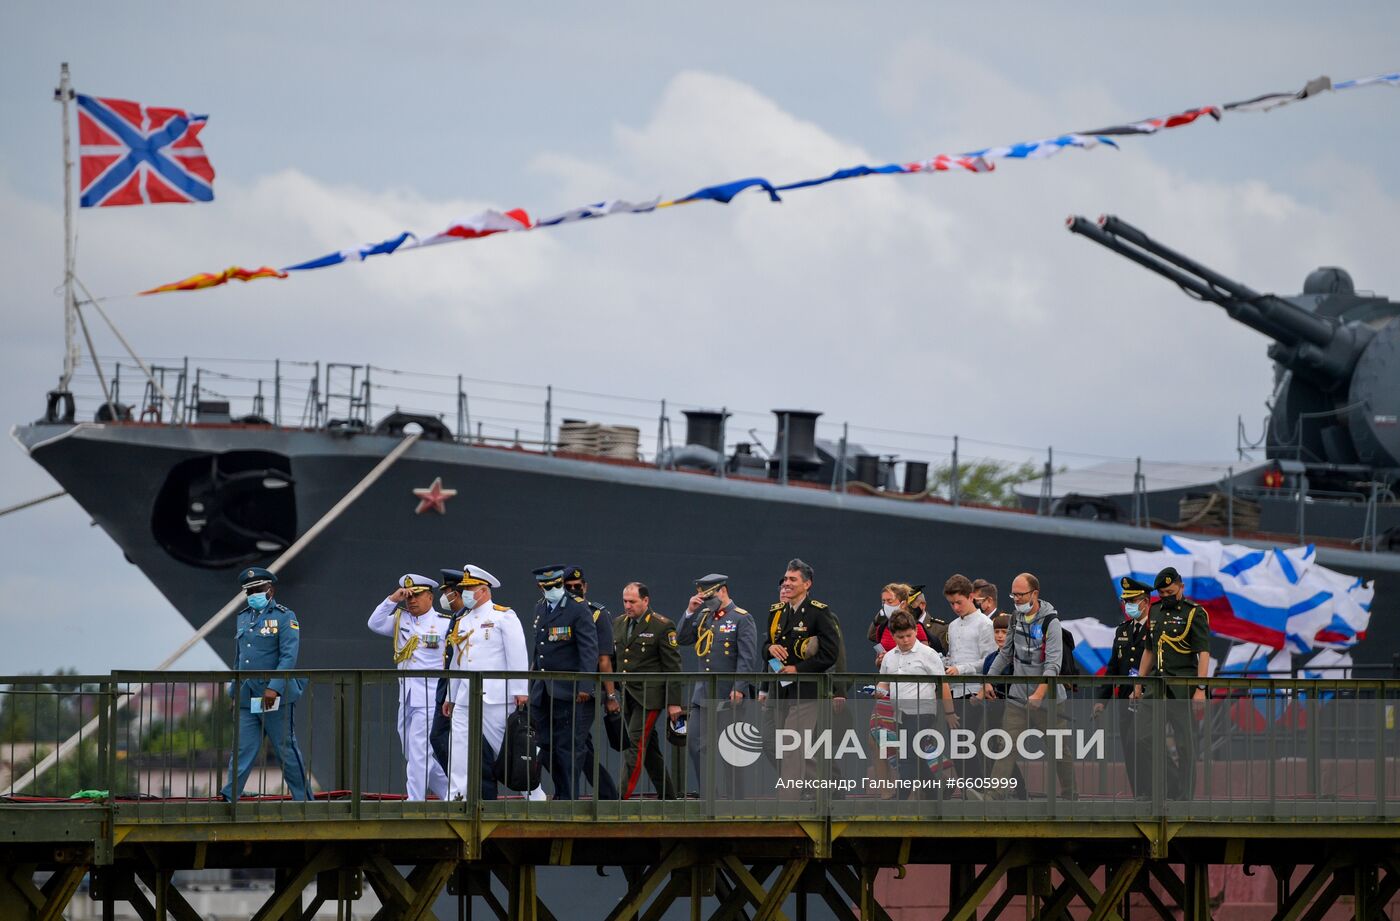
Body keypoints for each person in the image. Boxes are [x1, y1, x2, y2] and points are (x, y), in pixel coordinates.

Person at [442, 564, 530, 801]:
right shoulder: (463, 620)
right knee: (458, 747)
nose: (466, 594)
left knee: (510, 748)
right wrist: (450, 694)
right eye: (465, 589)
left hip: (495, 696)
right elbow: (458, 661)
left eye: (471, 589)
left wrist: (520, 689)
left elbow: (517, 654)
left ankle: (533, 793)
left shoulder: (503, 616)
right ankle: (456, 795)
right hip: (465, 695)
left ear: (484, 590)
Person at [984, 573, 1075, 800]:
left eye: (1020, 594)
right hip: (1018, 698)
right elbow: (1005, 654)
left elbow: (1053, 664)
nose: (1016, 599)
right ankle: (993, 796)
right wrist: (988, 680)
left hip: (1049, 700)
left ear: (1035, 593)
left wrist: (1039, 694)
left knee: (1058, 750)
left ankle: (1070, 794)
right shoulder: (1015, 618)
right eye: (1013, 594)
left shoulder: (1051, 622)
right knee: (1006, 745)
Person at [222, 567, 309, 802]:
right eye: (249, 591)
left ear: (270, 590)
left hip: (274, 696)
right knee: (242, 748)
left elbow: (288, 656)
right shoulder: (243, 617)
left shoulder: (284, 617)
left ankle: (304, 800)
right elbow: (239, 658)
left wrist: (274, 687)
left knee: (285, 750)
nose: (252, 595)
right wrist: (234, 691)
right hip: (247, 693)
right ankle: (230, 797)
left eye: (257, 590)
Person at [368, 574, 453, 801]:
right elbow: (374, 623)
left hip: (429, 697)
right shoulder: (400, 619)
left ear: (429, 596)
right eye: (408, 597)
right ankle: (452, 794)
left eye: (416, 596)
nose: (411, 601)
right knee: (411, 751)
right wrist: (392, 599)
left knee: (419, 753)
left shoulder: (445, 623)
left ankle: (415, 802)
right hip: (406, 696)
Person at [677, 573, 759, 797]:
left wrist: (739, 688)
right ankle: (708, 795)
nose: (706, 601)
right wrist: (690, 612)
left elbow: (747, 658)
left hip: (728, 695)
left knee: (731, 751)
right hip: (702, 694)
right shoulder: (704, 616)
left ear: (722, 590)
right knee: (695, 745)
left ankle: (735, 799)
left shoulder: (742, 618)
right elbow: (682, 639)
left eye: (709, 595)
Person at [1132, 566, 1210, 800]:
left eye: (1169, 591)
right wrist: (1138, 683)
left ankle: (1184, 797)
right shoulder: (1154, 612)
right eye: (1162, 593)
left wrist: (1201, 689)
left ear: (1181, 587)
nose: (1165, 596)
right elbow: (1148, 650)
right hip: (1155, 686)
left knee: (1185, 746)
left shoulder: (1193, 613)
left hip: (1182, 687)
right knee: (1142, 737)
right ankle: (1170, 784)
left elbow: (1203, 653)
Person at [767, 558, 840, 795]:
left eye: (792, 580)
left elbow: (830, 654)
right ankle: (829, 789)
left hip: (806, 690)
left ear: (807, 584)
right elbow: (767, 645)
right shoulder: (777, 612)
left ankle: (787, 804)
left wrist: (798, 670)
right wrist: (771, 652)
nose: (786, 584)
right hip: (781, 690)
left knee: (791, 746)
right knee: (785, 747)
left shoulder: (819, 612)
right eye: (786, 579)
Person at [528, 565, 600, 800]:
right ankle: (561, 792)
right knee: (545, 744)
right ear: (541, 587)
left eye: (557, 585)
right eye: (548, 587)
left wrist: (585, 686)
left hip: (569, 690)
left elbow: (589, 650)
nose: (553, 590)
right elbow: (538, 651)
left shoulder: (578, 609)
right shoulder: (540, 607)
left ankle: (568, 799)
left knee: (567, 747)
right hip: (543, 691)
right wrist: (530, 686)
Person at [609, 582, 685, 798]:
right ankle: (669, 796)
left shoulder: (662, 626)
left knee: (634, 745)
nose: (627, 606)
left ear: (645, 601)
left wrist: (673, 702)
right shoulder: (619, 623)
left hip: (649, 697)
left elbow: (673, 666)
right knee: (649, 749)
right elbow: (618, 660)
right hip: (628, 694)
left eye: (632, 602)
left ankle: (620, 799)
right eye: (625, 601)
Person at [877, 611, 958, 796]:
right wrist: (878, 692)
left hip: (923, 711)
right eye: (900, 637)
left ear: (915, 631)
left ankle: (901, 796)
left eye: (909, 635)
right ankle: (937, 791)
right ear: (893, 636)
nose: (906, 640)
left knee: (907, 754)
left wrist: (949, 713)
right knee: (917, 755)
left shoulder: (928, 654)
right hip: (899, 713)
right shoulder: (889, 657)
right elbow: (884, 683)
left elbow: (942, 684)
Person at [561, 566, 621, 801]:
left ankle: (569, 797)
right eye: (568, 588)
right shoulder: (558, 613)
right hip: (561, 689)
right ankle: (608, 794)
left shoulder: (597, 614)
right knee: (578, 745)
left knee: (573, 744)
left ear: (585, 587)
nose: (574, 591)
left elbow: (604, 659)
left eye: (578, 587)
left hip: (587, 690)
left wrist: (611, 695)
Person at [1093, 577, 1152, 798]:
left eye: (1133, 600)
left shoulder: (1155, 628)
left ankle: (1152, 793)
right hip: (1125, 699)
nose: (1128, 605)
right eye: (1125, 600)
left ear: (1145, 602)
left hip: (1147, 699)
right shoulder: (1123, 630)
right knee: (1129, 748)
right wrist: (1102, 700)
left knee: (1142, 745)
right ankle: (1139, 794)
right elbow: (1113, 668)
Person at [430, 568, 467, 774]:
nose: (444, 597)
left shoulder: (466, 619)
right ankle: (457, 782)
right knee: (437, 737)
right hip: (445, 690)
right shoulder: (455, 617)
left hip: (460, 690)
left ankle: (464, 784)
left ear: (457, 593)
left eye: (447, 593)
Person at [867, 583, 929, 667]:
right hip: (889, 678)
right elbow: (878, 663)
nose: (885, 605)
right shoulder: (881, 628)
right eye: (883, 601)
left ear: (903, 604)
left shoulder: (916, 627)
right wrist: (880, 660)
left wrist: (894, 660)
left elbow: (926, 658)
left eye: (890, 601)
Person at [909, 586, 949, 655]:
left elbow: (943, 659)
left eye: (910, 606)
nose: (906, 610)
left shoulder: (940, 629)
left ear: (922, 605)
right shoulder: (897, 629)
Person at [980, 614, 1011, 695]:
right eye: (996, 632)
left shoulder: (1017, 658)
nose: (999, 636)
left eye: (1004, 632)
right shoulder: (989, 658)